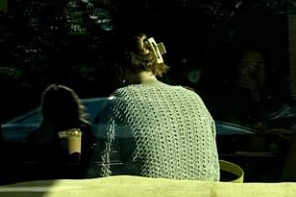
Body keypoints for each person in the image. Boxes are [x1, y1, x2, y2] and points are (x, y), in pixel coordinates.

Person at [91, 36, 221, 181]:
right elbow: (214, 167)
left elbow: (104, 170)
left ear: (120, 70)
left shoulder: (120, 100)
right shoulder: (194, 98)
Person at [29, 84, 92, 178]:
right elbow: (79, 161)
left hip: (46, 180)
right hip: (77, 181)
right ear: (73, 105)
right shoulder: (83, 130)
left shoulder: (36, 136)